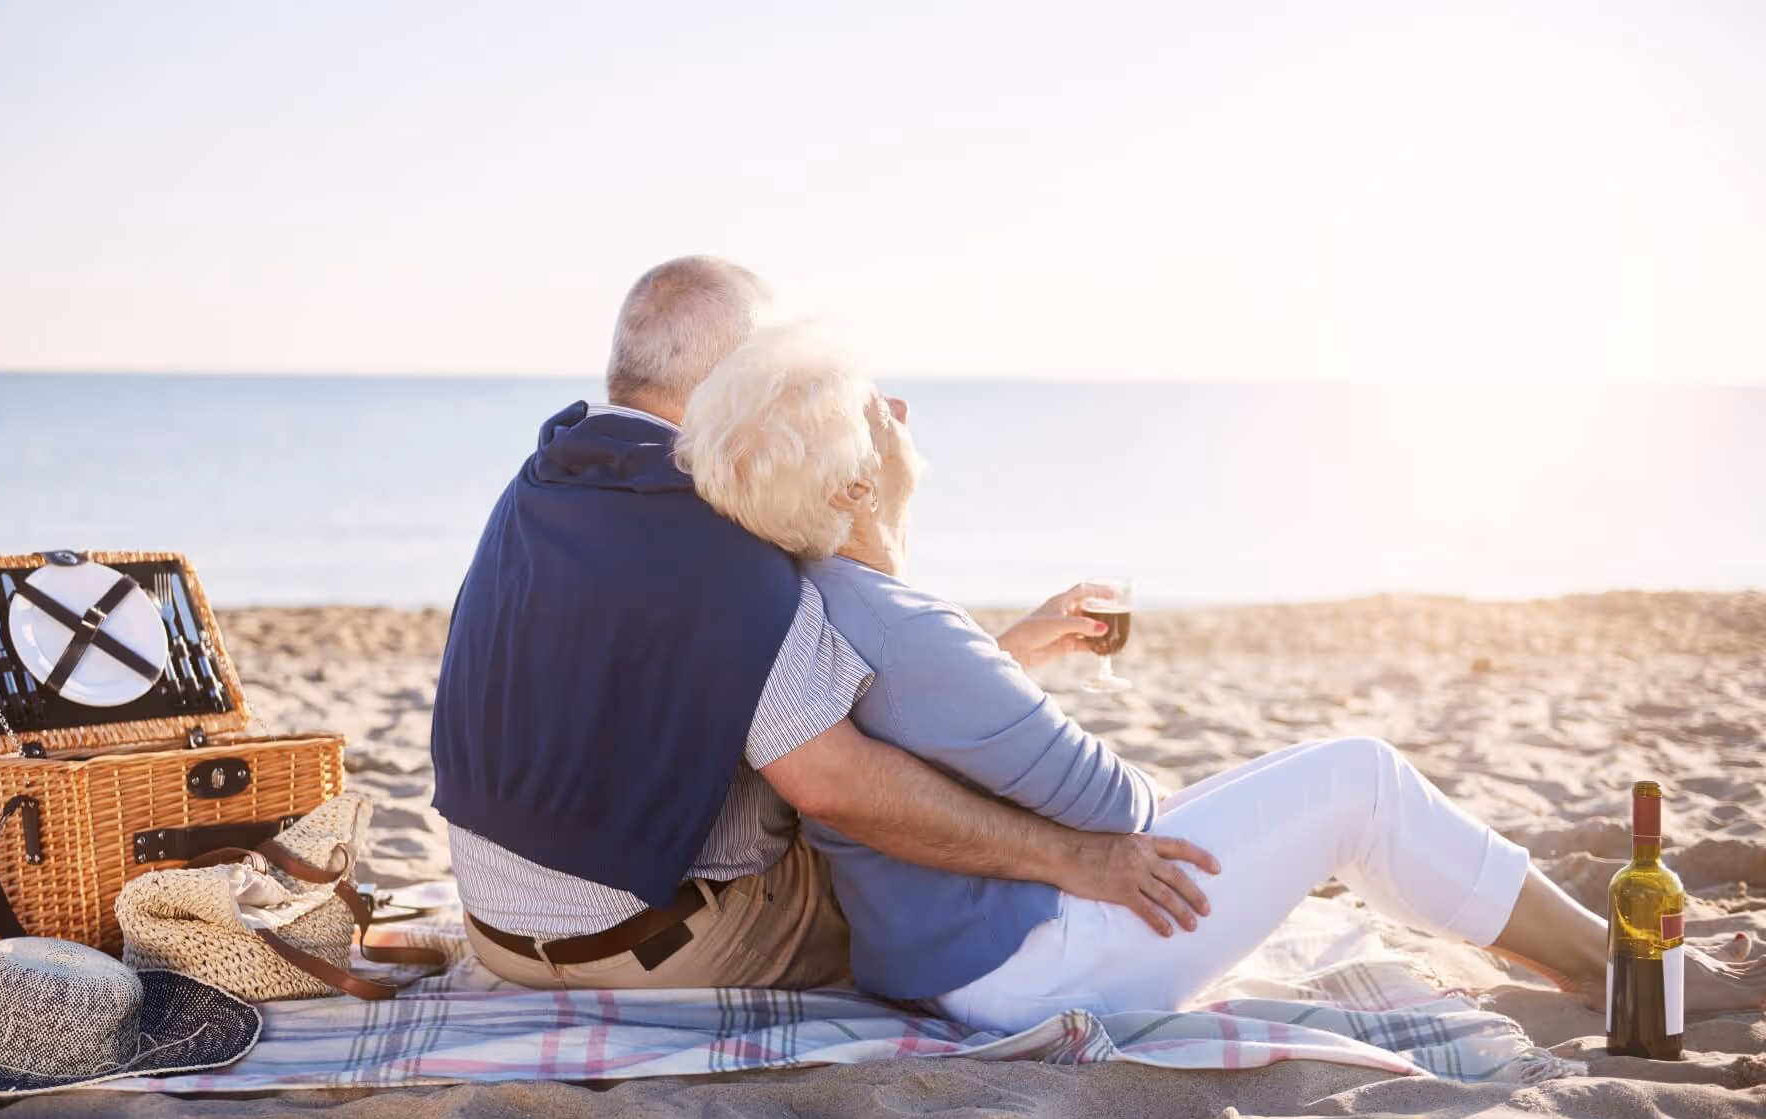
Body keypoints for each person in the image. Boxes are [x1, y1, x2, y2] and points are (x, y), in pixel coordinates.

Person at [675, 322, 1766, 1031]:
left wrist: (1009, 664)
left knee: (1319, 791)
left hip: (945, 958)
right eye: (881, 409)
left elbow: (918, 721)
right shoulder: (916, 632)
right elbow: (1121, 811)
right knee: (1357, 780)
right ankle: (1630, 976)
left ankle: (1561, 947)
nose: (904, 415)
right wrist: (1018, 700)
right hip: (1031, 966)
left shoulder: (819, 597)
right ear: (862, 483)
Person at [430, 258, 1223, 992]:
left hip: (499, 934)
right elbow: (838, 786)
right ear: (739, 377)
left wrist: (1002, 653)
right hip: (649, 950)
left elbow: (647, 682)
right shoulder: (713, 531)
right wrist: (1075, 857)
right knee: (913, 864)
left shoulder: (544, 482)